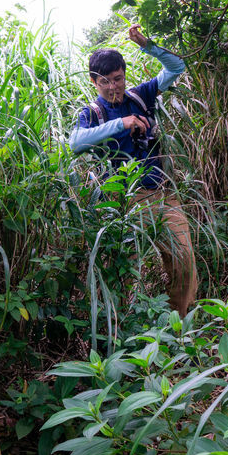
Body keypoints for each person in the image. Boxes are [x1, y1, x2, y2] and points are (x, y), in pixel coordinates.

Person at [69, 25, 198, 316]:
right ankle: (126, 326)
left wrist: (147, 44)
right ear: (94, 82)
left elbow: (177, 66)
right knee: (125, 271)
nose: (113, 87)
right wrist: (123, 123)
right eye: (105, 82)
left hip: (163, 193)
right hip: (125, 203)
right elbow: (75, 143)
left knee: (183, 258)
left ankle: (178, 323)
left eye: (118, 78)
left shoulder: (141, 96)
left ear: (124, 74)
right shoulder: (93, 114)